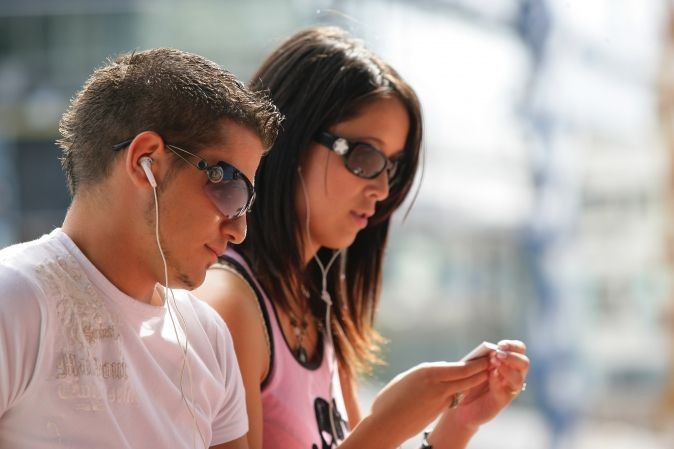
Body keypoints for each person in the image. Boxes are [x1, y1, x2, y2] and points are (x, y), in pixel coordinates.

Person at [193, 27, 530, 449]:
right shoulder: (228, 305)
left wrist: (457, 424)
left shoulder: (316, 307)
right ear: (293, 139)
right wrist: (384, 428)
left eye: (393, 167)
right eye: (365, 156)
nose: (383, 189)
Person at [0, 48, 282, 449]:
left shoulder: (208, 336)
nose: (239, 229)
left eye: (247, 200)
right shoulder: (15, 300)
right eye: (231, 188)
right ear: (145, 161)